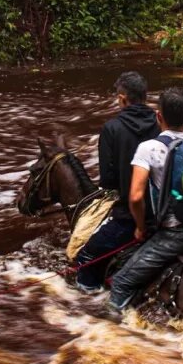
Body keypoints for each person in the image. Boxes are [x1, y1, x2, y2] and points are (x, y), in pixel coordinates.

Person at [108, 87, 183, 310]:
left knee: (120, 283)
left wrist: (140, 228)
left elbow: (136, 196)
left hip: (176, 236)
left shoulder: (148, 148)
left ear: (158, 116)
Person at [73, 71, 159, 292]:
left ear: (122, 98)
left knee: (86, 257)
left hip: (130, 217)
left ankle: (90, 298)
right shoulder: (161, 124)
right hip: (164, 213)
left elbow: (108, 181)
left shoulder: (112, 128)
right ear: (145, 96)